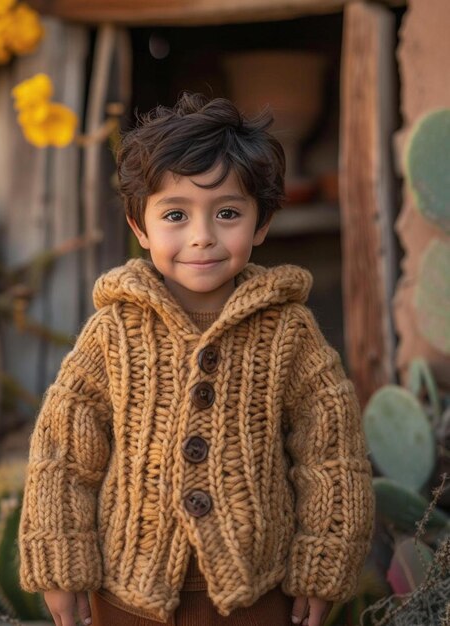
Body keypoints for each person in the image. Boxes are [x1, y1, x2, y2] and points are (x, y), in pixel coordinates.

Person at [19, 92, 375, 626]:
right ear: (140, 227)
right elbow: (64, 455)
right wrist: (60, 567)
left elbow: (331, 453)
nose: (203, 236)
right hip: (128, 595)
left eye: (228, 213)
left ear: (261, 225)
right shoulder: (113, 331)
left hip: (259, 595)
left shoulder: (288, 331)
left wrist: (323, 564)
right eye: (176, 214)